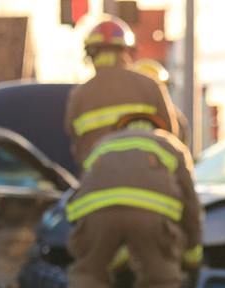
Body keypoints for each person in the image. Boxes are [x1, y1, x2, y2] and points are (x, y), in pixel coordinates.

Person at [55, 113, 204, 288]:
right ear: (159, 126)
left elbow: (83, 188)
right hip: (151, 214)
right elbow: (190, 204)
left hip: (96, 213)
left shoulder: (104, 144)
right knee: (158, 278)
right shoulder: (169, 144)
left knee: (90, 272)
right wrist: (192, 253)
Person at [65, 17, 182, 172]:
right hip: (148, 179)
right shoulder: (150, 86)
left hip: (98, 182)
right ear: (126, 51)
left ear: (91, 55)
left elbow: (74, 141)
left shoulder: (78, 96)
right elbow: (171, 136)